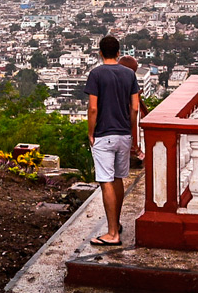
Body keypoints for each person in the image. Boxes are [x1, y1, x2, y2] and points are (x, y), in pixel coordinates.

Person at [85, 35, 142, 247]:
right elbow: (135, 108)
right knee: (118, 179)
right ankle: (115, 224)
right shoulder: (129, 74)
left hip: (104, 134)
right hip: (123, 134)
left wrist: (91, 133)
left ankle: (112, 233)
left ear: (100, 53)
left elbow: (93, 108)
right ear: (118, 53)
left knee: (105, 180)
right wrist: (131, 132)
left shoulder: (96, 74)